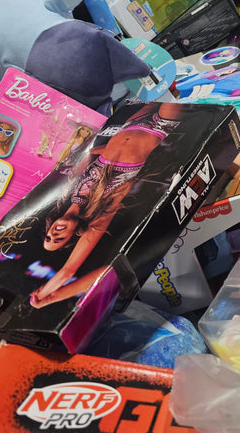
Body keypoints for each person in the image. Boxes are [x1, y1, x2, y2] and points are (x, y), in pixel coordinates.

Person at [29, 102, 182, 309]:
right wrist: (46, 297)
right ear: (72, 236)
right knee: (177, 95)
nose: (54, 234)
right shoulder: (101, 212)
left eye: (49, 237)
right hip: (159, 127)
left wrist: (106, 150)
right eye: (58, 240)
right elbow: (67, 271)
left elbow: (92, 154)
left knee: (156, 93)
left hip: (130, 124)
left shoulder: (71, 194)